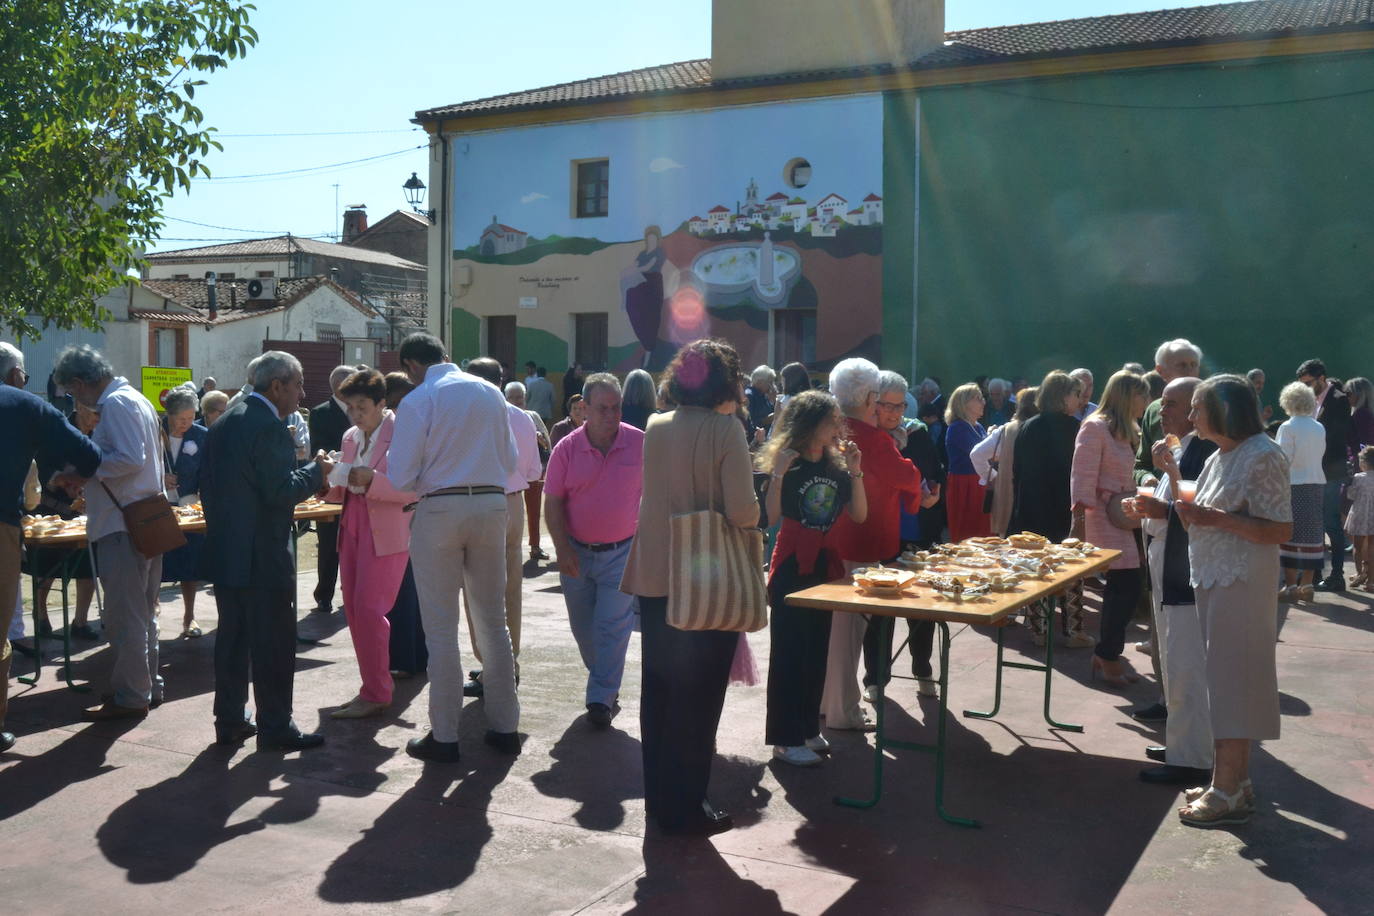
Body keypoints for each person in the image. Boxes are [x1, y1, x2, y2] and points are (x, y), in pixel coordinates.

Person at [620, 338, 759, 836]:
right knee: (699, 700)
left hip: (655, 574)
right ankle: (687, 804)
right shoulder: (728, 430)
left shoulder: (656, 427)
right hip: (706, 579)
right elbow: (743, 510)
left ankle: (660, 800)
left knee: (658, 691)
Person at [388, 334, 520, 762]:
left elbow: (401, 474)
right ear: (446, 355)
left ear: (410, 364)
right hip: (490, 503)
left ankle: (444, 735)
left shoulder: (418, 398)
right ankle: (505, 727)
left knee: (441, 629)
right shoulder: (490, 392)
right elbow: (513, 460)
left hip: (441, 509)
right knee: (493, 621)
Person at [1174, 374, 1291, 827]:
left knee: (1234, 680)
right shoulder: (1221, 456)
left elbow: (1279, 529)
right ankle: (1232, 783)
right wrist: (1195, 515)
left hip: (1242, 582)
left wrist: (1210, 518)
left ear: (1221, 409)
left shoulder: (1264, 455)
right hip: (1215, 578)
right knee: (1224, 680)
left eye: (1197, 407)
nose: (1190, 416)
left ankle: (1228, 789)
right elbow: (1203, 517)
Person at [201, 352, 332, 750]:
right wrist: (317, 471)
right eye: (297, 385)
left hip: (227, 550)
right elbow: (280, 492)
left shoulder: (225, 421)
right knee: (273, 644)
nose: (302, 393)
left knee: (233, 641)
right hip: (263, 554)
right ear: (277, 386)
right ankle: (275, 725)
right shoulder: (268, 426)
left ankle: (229, 719)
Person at [53, 345, 168, 721]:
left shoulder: (118, 403)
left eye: (73, 392)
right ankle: (145, 686)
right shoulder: (133, 400)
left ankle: (132, 694)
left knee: (126, 614)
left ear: (80, 382)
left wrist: (84, 472)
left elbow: (129, 460)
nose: (76, 400)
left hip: (125, 524)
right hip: (143, 518)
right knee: (143, 611)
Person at [1, 343, 100, 752]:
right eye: (22, 374)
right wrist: (69, 478)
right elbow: (89, 454)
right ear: (13, 375)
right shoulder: (25, 406)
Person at [760, 390, 866, 766]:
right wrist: (776, 476)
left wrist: (855, 469)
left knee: (816, 649)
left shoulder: (837, 466)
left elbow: (860, 513)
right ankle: (785, 739)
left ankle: (807, 728)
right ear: (810, 425)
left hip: (824, 562)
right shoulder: (788, 463)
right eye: (831, 420)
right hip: (791, 561)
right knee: (789, 652)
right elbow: (769, 519)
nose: (839, 426)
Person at [820, 358, 924, 732]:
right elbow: (907, 475)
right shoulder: (871, 437)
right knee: (848, 636)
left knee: (833, 634)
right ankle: (842, 711)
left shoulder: (830, 429)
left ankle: (826, 704)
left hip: (829, 539)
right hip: (862, 543)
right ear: (868, 397)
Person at [1124, 376, 1217, 785]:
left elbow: (1194, 510)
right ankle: (1181, 744)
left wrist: (1158, 506)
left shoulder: (1203, 451)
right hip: (1167, 568)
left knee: (1187, 666)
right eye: (1162, 404)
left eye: (1173, 404)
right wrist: (1150, 502)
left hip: (1185, 575)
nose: (1164, 412)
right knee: (1173, 663)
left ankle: (1192, 757)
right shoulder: (1183, 448)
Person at [545, 372, 644, 728]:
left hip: (623, 552)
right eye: (602, 408)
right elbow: (553, 502)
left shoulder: (640, 443)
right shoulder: (566, 449)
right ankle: (604, 679)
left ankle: (600, 697)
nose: (611, 414)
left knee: (612, 626)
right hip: (576, 553)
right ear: (584, 408)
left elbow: (660, 494)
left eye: (616, 407)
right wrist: (561, 549)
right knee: (583, 629)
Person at [321, 369, 417, 719]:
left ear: (381, 403)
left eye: (362, 407)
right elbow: (343, 486)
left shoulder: (404, 434)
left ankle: (377, 690)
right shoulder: (350, 436)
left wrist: (373, 481)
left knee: (369, 611)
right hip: (353, 525)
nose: (356, 415)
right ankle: (371, 687)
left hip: (388, 530)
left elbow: (415, 489)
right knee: (354, 610)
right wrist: (325, 478)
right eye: (351, 408)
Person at [460, 359, 542, 699]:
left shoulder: (468, 414)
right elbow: (534, 471)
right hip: (512, 504)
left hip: (479, 502)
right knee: (510, 589)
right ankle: (509, 663)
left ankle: (492, 666)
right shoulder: (522, 417)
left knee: (478, 590)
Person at [1072, 370, 1150, 685]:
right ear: (1126, 395)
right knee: (1125, 586)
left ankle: (1106, 655)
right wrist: (1078, 521)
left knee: (1126, 587)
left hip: (1126, 514)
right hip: (1102, 516)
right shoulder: (1094, 426)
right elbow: (1082, 475)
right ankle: (1107, 656)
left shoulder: (1128, 428)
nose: (1146, 401)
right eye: (1142, 394)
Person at [866, 371, 940, 699]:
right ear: (873, 404)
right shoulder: (864, 435)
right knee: (879, 607)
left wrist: (931, 493)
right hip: (877, 529)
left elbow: (934, 474)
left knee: (919, 604)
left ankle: (922, 668)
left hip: (914, 529)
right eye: (886, 405)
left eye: (900, 405)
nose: (895, 412)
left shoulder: (917, 432)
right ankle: (875, 678)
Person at [1010, 371, 1091, 647]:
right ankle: (1073, 630)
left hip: (1031, 506)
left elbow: (1016, 471)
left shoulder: (1028, 425)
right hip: (1060, 507)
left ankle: (1038, 629)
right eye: (1076, 394)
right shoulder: (1073, 428)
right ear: (1063, 396)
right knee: (1070, 569)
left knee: (1036, 568)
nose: (1080, 400)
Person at [27, 403, 100, 641]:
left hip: (83, 512)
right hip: (50, 509)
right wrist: (59, 481)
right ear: (79, 407)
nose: (95, 420)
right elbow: (39, 467)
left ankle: (80, 621)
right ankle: (40, 614)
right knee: (46, 567)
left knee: (88, 566)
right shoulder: (59, 429)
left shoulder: (98, 435)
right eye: (92, 414)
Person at [382, 371, 427, 679]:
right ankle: (410, 657)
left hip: (411, 515)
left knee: (408, 591)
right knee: (407, 592)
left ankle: (409, 657)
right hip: (410, 515)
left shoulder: (406, 424)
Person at [1296, 359, 1352, 592]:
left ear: (1321, 379)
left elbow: (1336, 438)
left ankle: (1336, 576)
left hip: (1329, 471)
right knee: (1315, 525)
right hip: (1315, 471)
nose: (1306, 388)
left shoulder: (1338, 400)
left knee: (1329, 523)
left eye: (1309, 383)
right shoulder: (1313, 401)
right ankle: (1314, 574)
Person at [158, 387, 209, 638]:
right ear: (169, 414)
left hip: (190, 510)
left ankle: (189, 617)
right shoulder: (153, 432)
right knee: (155, 564)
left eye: (191, 418)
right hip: (158, 509)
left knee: (191, 564)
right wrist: (159, 477)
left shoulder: (202, 436)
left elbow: (208, 473)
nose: (186, 424)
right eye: (181, 420)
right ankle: (151, 615)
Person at [307, 365, 356, 615]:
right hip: (332, 485)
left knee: (354, 543)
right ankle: (324, 594)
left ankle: (351, 593)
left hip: (357, 487)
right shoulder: (320, 412)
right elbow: (318, 448)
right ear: (339, 385)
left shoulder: (361, 408)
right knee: (328, 543)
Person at [1275, 381, 1328, 601]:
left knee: (1289, 534)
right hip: (1316, 484)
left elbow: (1282, 459)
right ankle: (1307, 585)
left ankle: (1290, 586)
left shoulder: (1287, 427)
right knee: (1313, 535)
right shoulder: (1318, 426)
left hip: (1293, 486)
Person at [1136, 339, 1203, 484]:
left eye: (1194, 365)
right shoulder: (1154, 411)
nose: (1190, 371)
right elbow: (1142, 465)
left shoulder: (1213, 409)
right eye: (1182, 365)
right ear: (1161, 371)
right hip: (1159, 499)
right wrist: (1146, 479)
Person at [977, 386, 1038, 537]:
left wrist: (994, 477)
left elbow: (977, 454)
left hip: (1008, 499)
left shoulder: (1006, 430)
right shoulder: (1044, 431)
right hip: (1036, 501)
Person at [505, 382, 552, 562]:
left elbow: (547, 442)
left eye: (520, 397)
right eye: (512, 397)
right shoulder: (501, 416)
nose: (517, 401)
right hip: (511, 474)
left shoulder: (532, 416)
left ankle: (535, 546)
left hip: (532, 470)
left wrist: (539, 438)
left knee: (534, 510)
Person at [943, 383, 991, 542]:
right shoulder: (958, 427)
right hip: (965, 484)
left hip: (980, 482)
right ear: (964, 403)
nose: (983, 402)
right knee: (967, 532)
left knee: (984, 531)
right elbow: (978, 452)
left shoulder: (978, 427)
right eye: (978, 398)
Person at [1346, 446, 1374, 590]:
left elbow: (1351, 495)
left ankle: (1359, 573)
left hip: (1359, 515)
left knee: (1357, 546)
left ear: (1363, 463)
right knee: (1372, 546)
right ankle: (1371, 581)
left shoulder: (1358, 478)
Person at [745, 365, 778, 432]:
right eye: (770, 382)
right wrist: (768, 419)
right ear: (760, 382)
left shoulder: (764, 395)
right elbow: (750, 423)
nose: (772, 386)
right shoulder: (749, 395)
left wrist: (774, 400)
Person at [1346, 375, 1374, 451]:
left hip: (1361, 459)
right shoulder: (1366, 412)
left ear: (1360, 394)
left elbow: (1364, 443)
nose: (1345, 396)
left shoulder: (1362, 414)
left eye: (1348, 393)